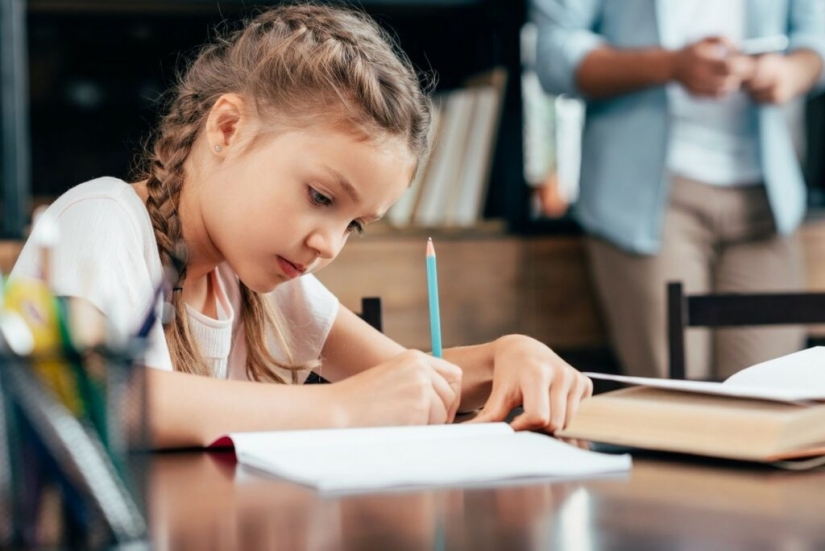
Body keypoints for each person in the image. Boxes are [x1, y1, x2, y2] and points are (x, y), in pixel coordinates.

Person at [9, 4, 592, 448]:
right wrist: (341, 408)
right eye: (320, 197)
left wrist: (506, 357)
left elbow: (404, 377)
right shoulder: (101, 219)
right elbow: (101, 395)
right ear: (229, 128)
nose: (328, 245)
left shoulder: (261, 283)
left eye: (354, 225)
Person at [530, 0, 825, 380]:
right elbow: (554, 53)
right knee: (676, 396)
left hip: (766, 201)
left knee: (772, 393)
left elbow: (815, 38)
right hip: (646, 204)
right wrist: (670, 65)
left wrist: (790, 72)